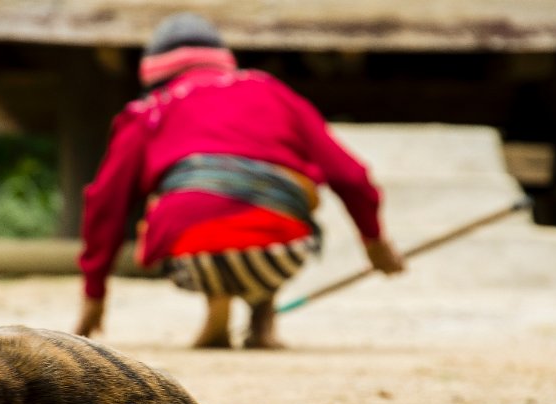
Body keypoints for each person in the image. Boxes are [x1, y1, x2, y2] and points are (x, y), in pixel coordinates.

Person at [74, 12, 404, 349]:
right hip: (280, 250)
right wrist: (374, 241)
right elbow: (348, 174)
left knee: (188, 198)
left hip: (193, 257)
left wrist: (94, 295)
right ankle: (263, 319)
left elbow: (105, 203)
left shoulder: (148, 110)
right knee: (285, 189)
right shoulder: (269, 90)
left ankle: (217, 308)